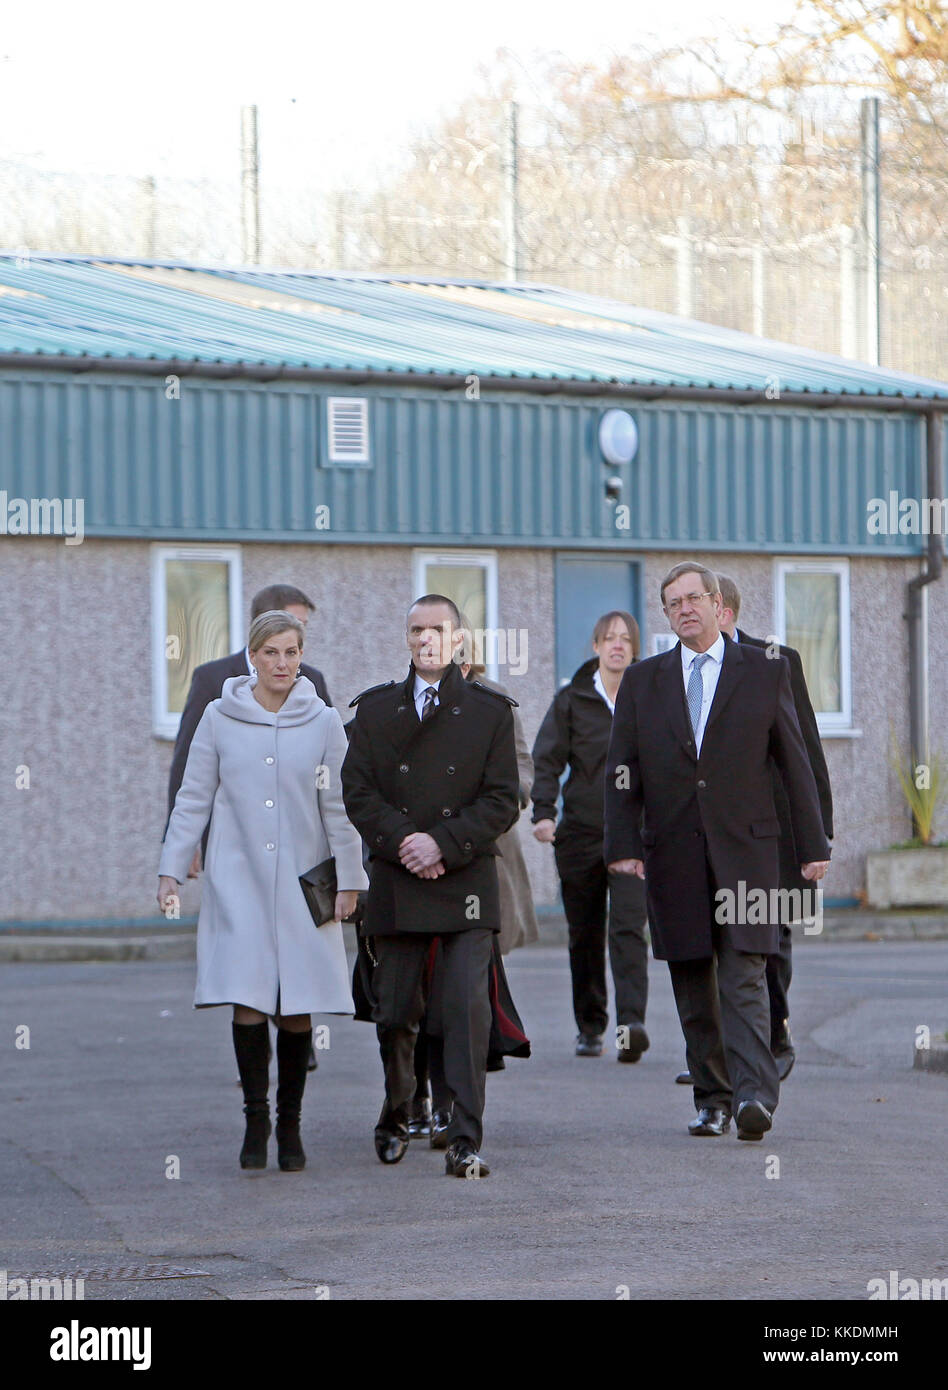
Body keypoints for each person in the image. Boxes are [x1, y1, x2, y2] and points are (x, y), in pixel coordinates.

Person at [604, 563, 830, 1142]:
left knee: (745, 973)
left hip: (748, 852)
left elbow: (794, 761)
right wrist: (623, 843)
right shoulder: (644, 680)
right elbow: (622, 769)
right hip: (673, 852)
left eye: (693, 598)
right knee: (691, 977)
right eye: (672, 602)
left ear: (717, 604)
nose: (684, 609)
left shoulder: (763, 670)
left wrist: (812, 844)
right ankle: (712, 1097)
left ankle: (755, 1095)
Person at [158, 610, 367, 1171]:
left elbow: (338, 806)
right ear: (252, 656)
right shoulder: (219, 717)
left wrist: (351, 879)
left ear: (302, 656)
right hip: (238, 878)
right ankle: (255, 1122)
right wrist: (171, 868)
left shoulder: (323, 721)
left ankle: (290, 1126)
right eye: (271, 652)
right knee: (248, 998)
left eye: (292, 652)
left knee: (297, 1005)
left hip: (304, 883)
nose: (282, 663)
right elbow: (194, 796)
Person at [341, 595, 520, 1178]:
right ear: (406, 638)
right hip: (398, 880)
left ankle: (466, 1136)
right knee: (395, 1011)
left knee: (466, 1013)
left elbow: (502, 800)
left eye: (438, 630)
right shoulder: (374, 711)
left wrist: (441, 842)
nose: (426, 639)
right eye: (416, 630)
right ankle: (397, 1112)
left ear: (458, 640)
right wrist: (406, 844)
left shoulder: (492, 713)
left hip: (465, 883)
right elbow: (359, 793)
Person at [166, 582, 331, 1074]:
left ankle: (293, 1036)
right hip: (235, 852)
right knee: (247, 964)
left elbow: (329, 775)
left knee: (293, 958)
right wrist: (183, 844)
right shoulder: (213, 680)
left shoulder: (313, 680)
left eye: (301, 632)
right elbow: (189, 771)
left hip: (298, 852)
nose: (293, 644)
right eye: (289, 622)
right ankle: (261, 1076)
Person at [407, 618, 535, 1143]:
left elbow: (521, 774)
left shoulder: (494, 701)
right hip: (415, 868)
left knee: (461, 994)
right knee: (413, 991)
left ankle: (451, 1107)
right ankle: (413, 1097)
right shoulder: (402, 699)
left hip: (477, 863)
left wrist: (475, 810)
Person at [717, 574, 834, 1081]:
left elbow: (805, 747)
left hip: (777, 828)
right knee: (720, 938)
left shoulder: (776, 660)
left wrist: (819, 830)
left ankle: (775, 1032)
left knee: (773, 935)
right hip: (719, 830)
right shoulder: (680, 670)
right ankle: (731, 1052)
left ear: (727, 611)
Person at [531, 612, 650, 1062]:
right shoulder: (572, 700)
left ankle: (630, 1025)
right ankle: (590, 1026)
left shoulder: (649, 698)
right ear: (596, 645)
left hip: (633, 836)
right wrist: (544, 813)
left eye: (625, 639)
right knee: (584, 934)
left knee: (628, 929)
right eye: (609, 638)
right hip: (579, 832)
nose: (617, 646)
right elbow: (546, 758)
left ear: (635, 649)